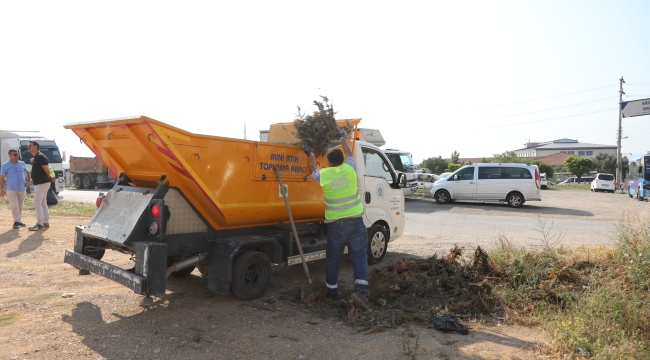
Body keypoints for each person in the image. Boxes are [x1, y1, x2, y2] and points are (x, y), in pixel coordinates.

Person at [309, 137, 371, 311]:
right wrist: (343, 137)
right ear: (343, 160)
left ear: (328, 162)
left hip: (336, 225)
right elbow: (349, 151)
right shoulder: (350, 168)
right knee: (358, 255)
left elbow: (312, 169)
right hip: (355, 222)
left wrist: (310, 154)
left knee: (334, 258)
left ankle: (332, 290)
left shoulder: (324, 174)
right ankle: (360, 290)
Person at [0, 149, 31, 229]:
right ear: (9, 155)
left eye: (17, 154)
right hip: (11, 188)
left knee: (20, 205)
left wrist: (28, 181)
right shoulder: (5, 165)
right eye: (14, 154)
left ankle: (19, 220)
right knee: (14, 205)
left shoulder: (22, 163)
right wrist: (1, 189)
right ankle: (16, 221)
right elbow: (2, 177)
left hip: (22, 187)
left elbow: (27, 172)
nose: (16, 156)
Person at [27, 141, 53, 231]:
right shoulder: (37, 157)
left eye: (30, 146)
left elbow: (47, 169)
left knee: (37, 203)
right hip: (42, 183)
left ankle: (39, 224)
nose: (28, 147)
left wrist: (49, 177)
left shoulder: (40, 157)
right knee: (42, 203)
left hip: (41, 183)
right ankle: (45, 222)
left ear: (36, 147)